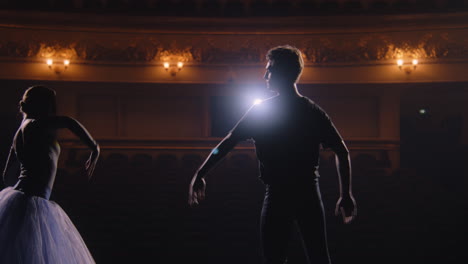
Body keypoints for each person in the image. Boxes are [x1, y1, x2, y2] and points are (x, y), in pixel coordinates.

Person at [189, 45, 357, 264]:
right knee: (318, 257)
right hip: (307, 192)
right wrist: (345, 194)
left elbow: (228, 142)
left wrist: (201, 172)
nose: (265, 75)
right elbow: (342, 152)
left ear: (283, 73)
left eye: (269, 69)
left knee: (275, 258)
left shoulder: (263, 111)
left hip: (278, 193)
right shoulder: (312, 111)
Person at [0, 85, 100, 263]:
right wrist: (94, 147)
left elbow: (7, 175)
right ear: (44, 105)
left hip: (22, 196)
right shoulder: (37, 124)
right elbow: (69, 122)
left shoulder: (21, 129)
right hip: (34, 200)